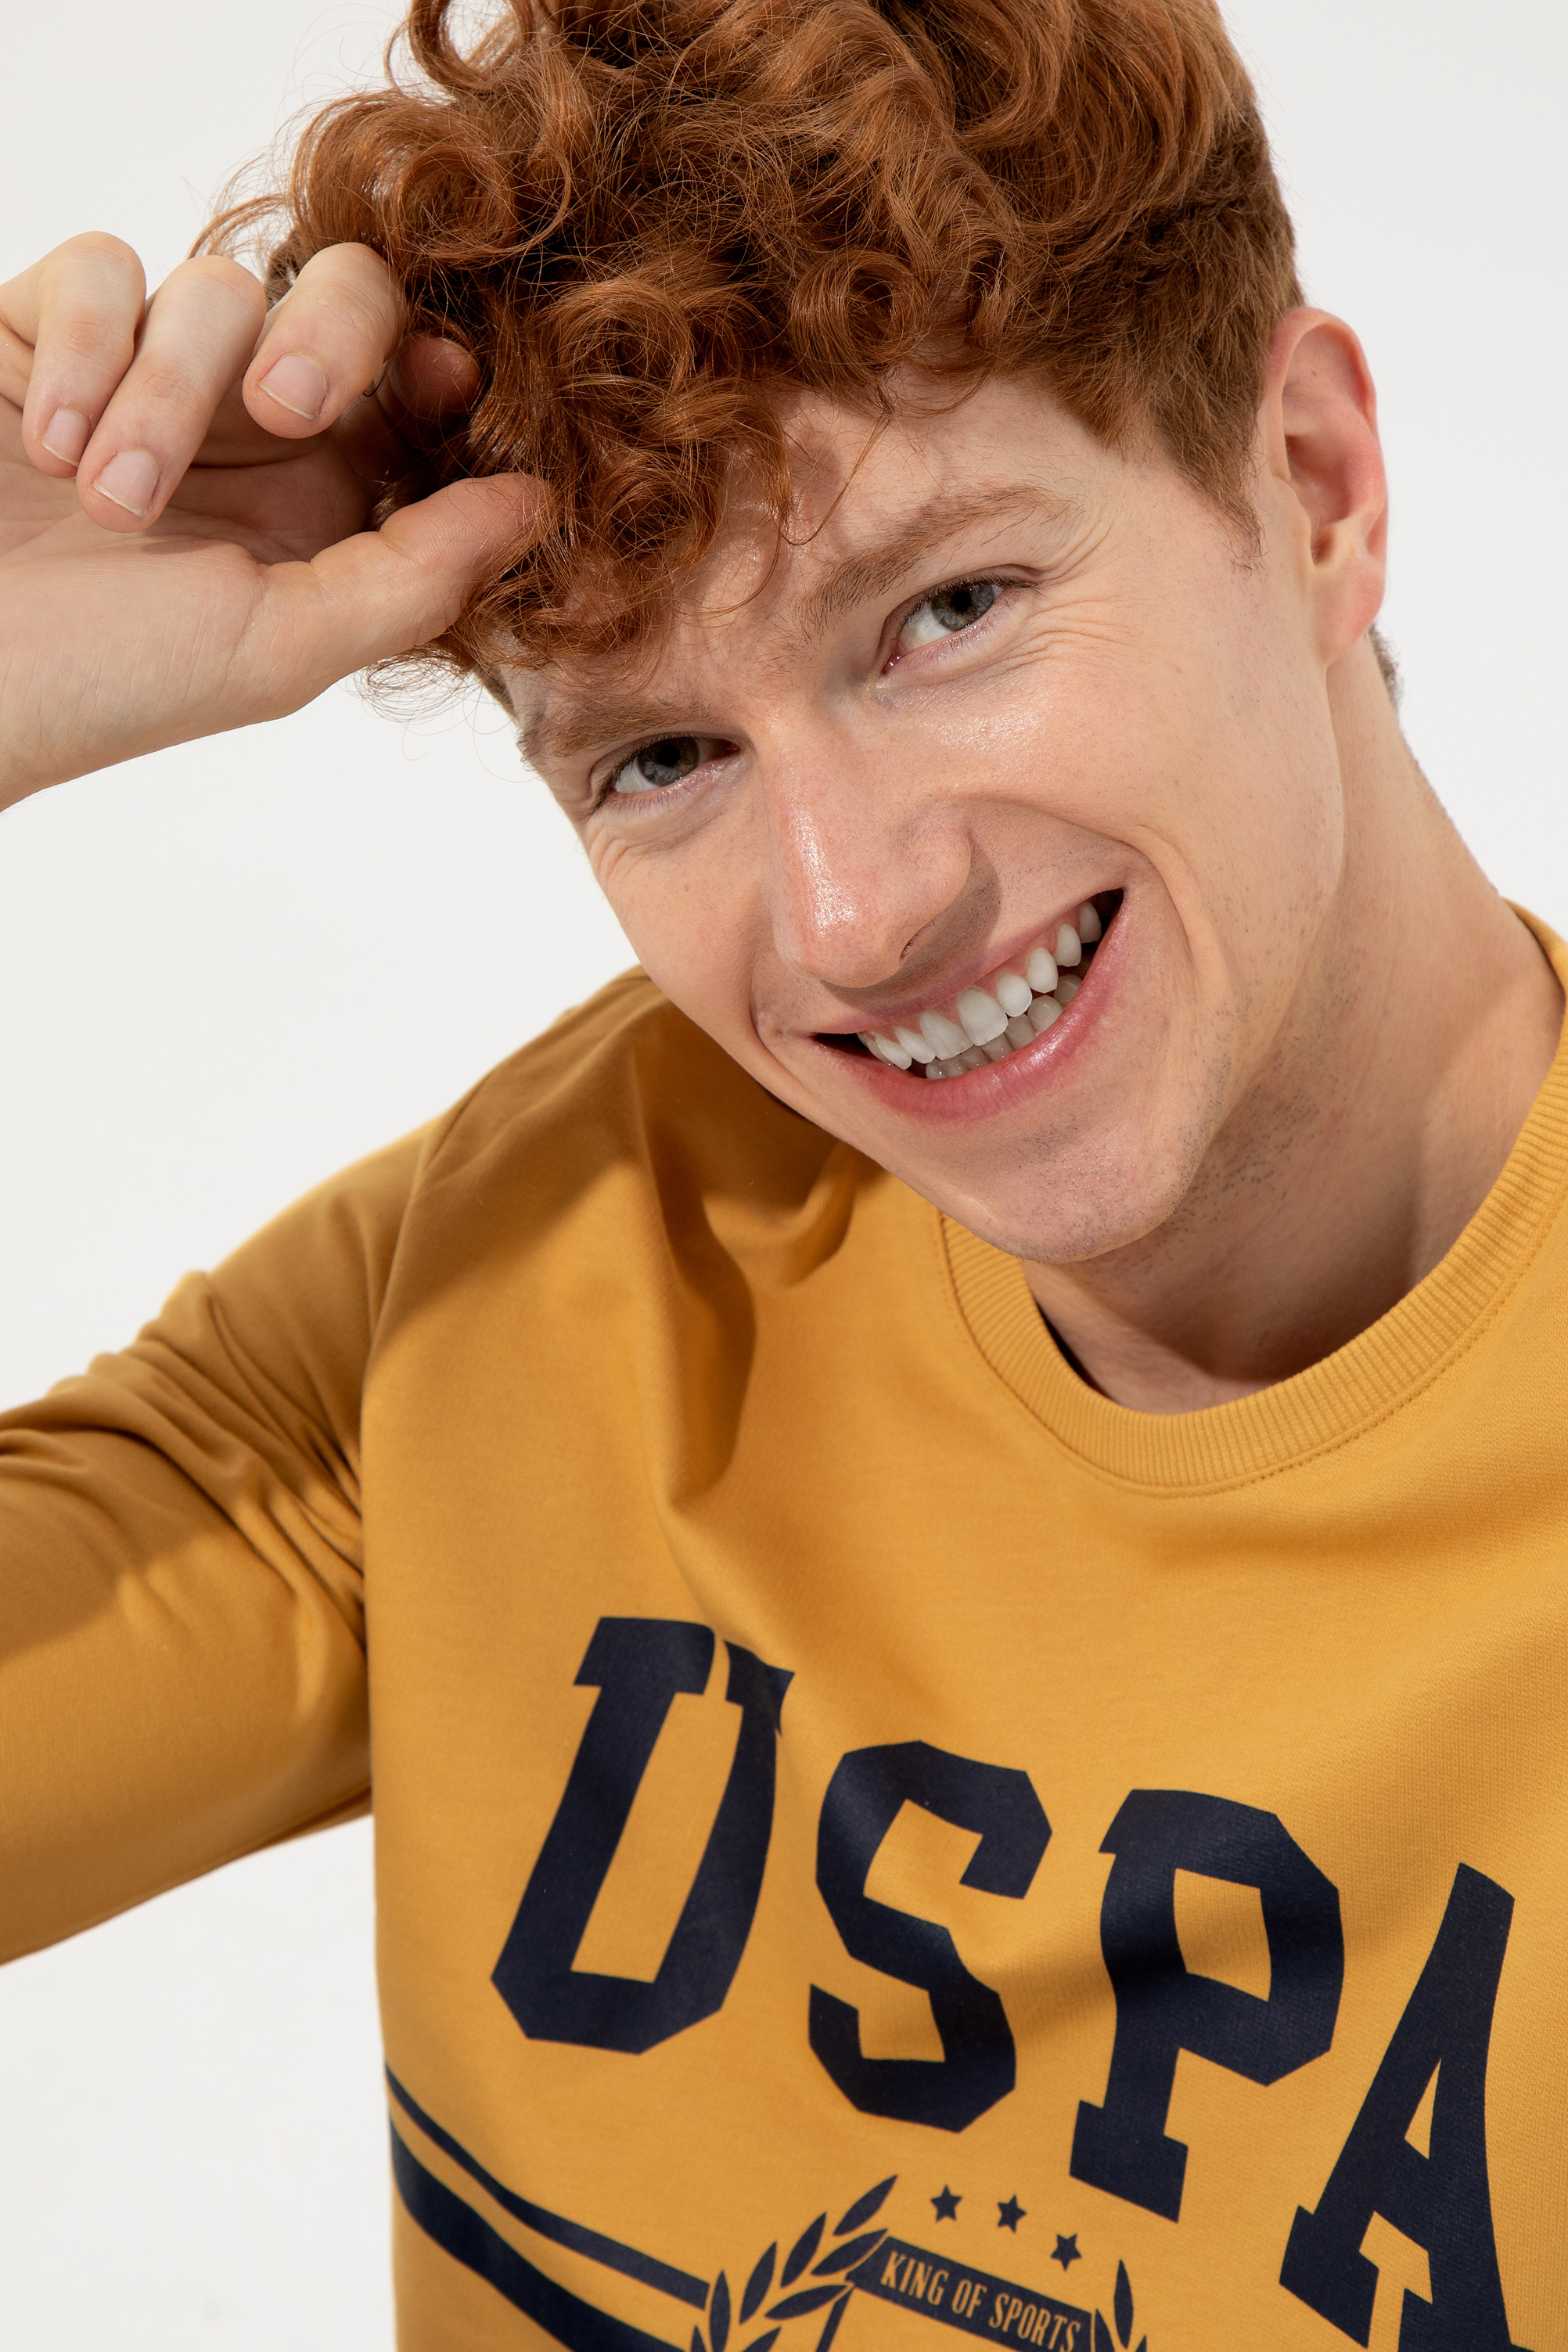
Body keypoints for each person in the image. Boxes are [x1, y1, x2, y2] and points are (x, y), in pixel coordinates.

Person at [0, 0, 1560, 2343]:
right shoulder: (538, 1279)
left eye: (948, 613)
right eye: (660, 759)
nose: (852, 919)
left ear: (1315, 485)